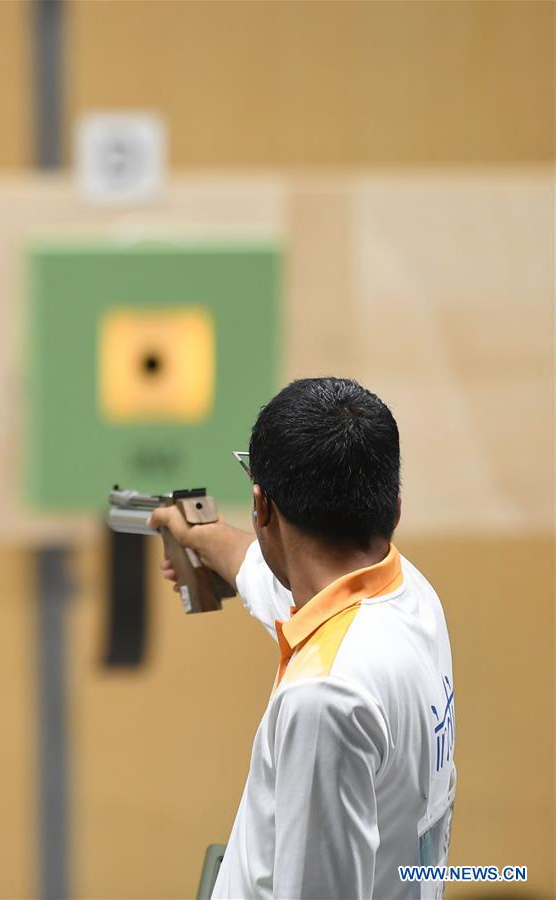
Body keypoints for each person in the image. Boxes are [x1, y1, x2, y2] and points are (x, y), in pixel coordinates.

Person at [149, 377, 456, 900]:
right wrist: (203, 537)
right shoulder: (406, 594)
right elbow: (275, 576)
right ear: (393, 508)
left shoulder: (325, 696)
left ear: (261, 507)